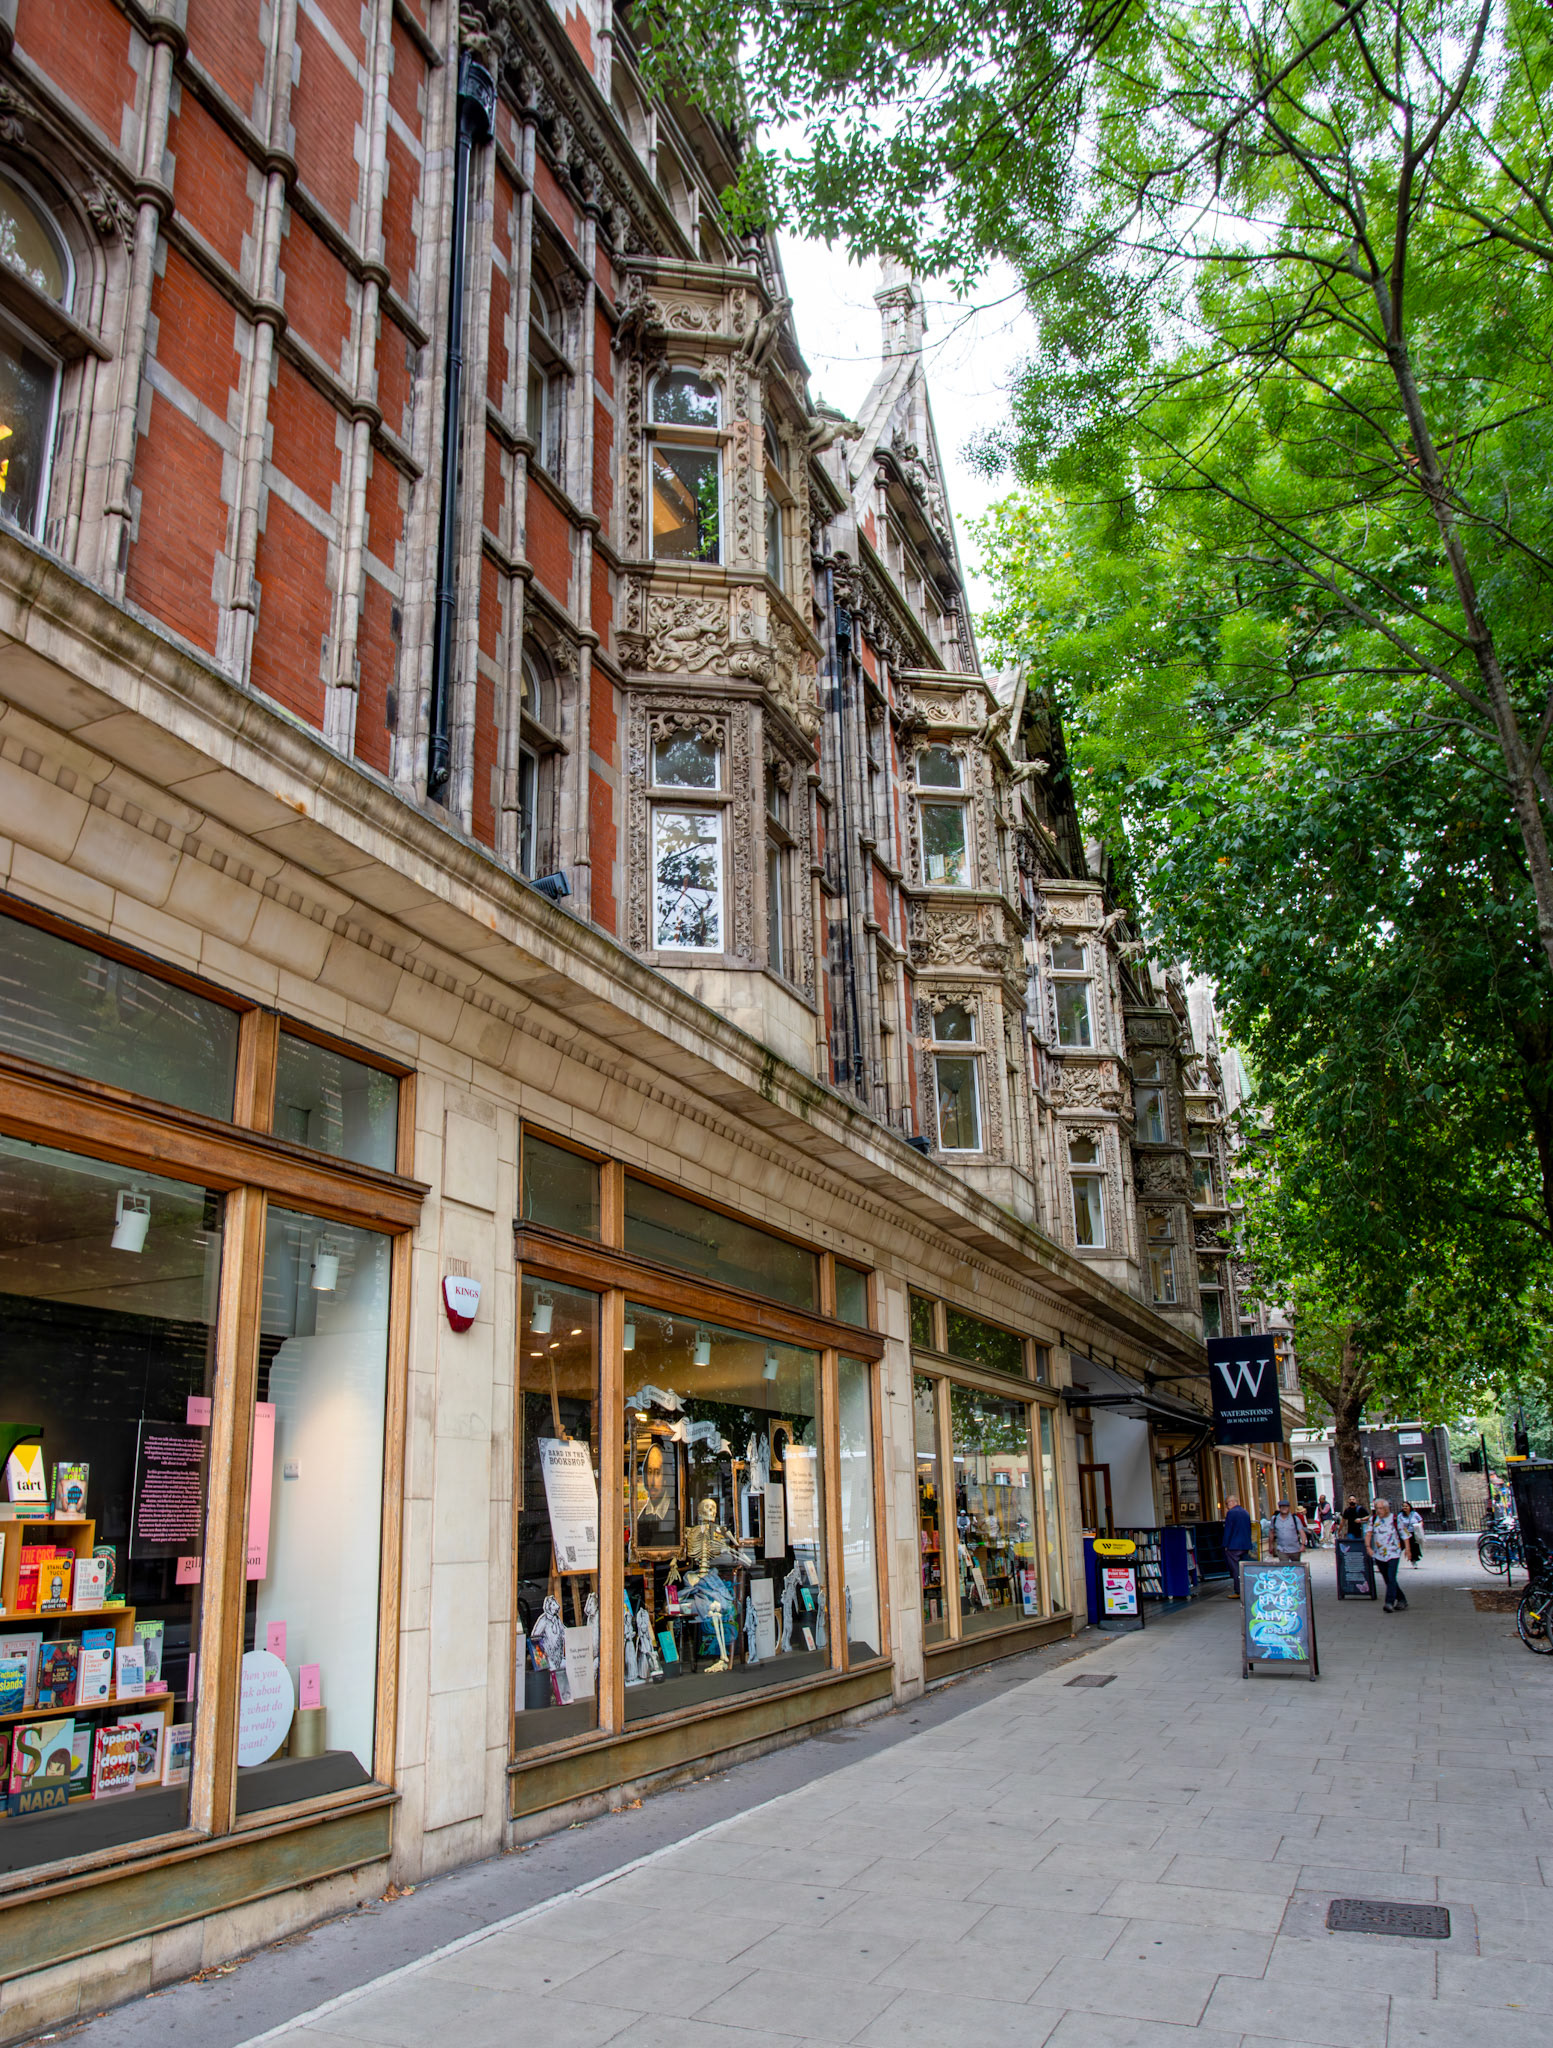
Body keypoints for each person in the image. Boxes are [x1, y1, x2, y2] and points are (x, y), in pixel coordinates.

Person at [1365, 1496, 1409, 1611]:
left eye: (1381, 1508)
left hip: (1393, 1552)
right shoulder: (1373, 1519)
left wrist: (1408, 1550)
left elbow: (1405, 1535)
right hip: (1379, 1554)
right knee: (1388, 1579)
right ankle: (1402, 1599)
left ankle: (1389, 1602)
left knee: (1391, 1576)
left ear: (1386, 1509)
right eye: (1377, 1508)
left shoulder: (1395, 1519)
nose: (1379, 1511)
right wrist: (1368, 1547)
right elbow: (1368, 1533)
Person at [1222, 1495, 1252, 1597]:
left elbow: (1228, 1530)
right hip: (1245, 1544)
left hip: (1234, 1545)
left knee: (1235, 1568)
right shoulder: (1245, 1512)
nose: (1227, 1507)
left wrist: (1225, 1544)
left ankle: (1238, 1591)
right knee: (1244, 1567)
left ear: (1232, 1502)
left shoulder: (1231, 1513)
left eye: (1227, 1504)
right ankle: (1247, 1588)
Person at [1271, 1499, 1303, 1565]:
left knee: (1296, 1566)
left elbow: (1301, 1532)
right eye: (1282, 1507)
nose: (1284, 1508)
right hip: (1281, 1549)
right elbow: (1271, 1532)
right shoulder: (1275, 1519)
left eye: (1286, 1507)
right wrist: (1270, 1545)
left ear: (1289, 1508)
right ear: (1279, 1508)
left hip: (1295, 1549)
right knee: (1284, 1566)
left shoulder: (1294, 1518)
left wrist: (1303, 1545)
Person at [1398, 1502, 1425, 1568]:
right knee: (1400, 1547)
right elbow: (1399, 1523)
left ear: (1410, 1507)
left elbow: (1421, 1520)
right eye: (1403, 1506)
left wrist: (1419, 1525)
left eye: (1406, 1506)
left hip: (1413, 1532)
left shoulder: (1414, 1514)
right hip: (1405, 1533)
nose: (1405, 1508)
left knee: (1413, 1547)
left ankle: (1413, 1561)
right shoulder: (1400, 1515)